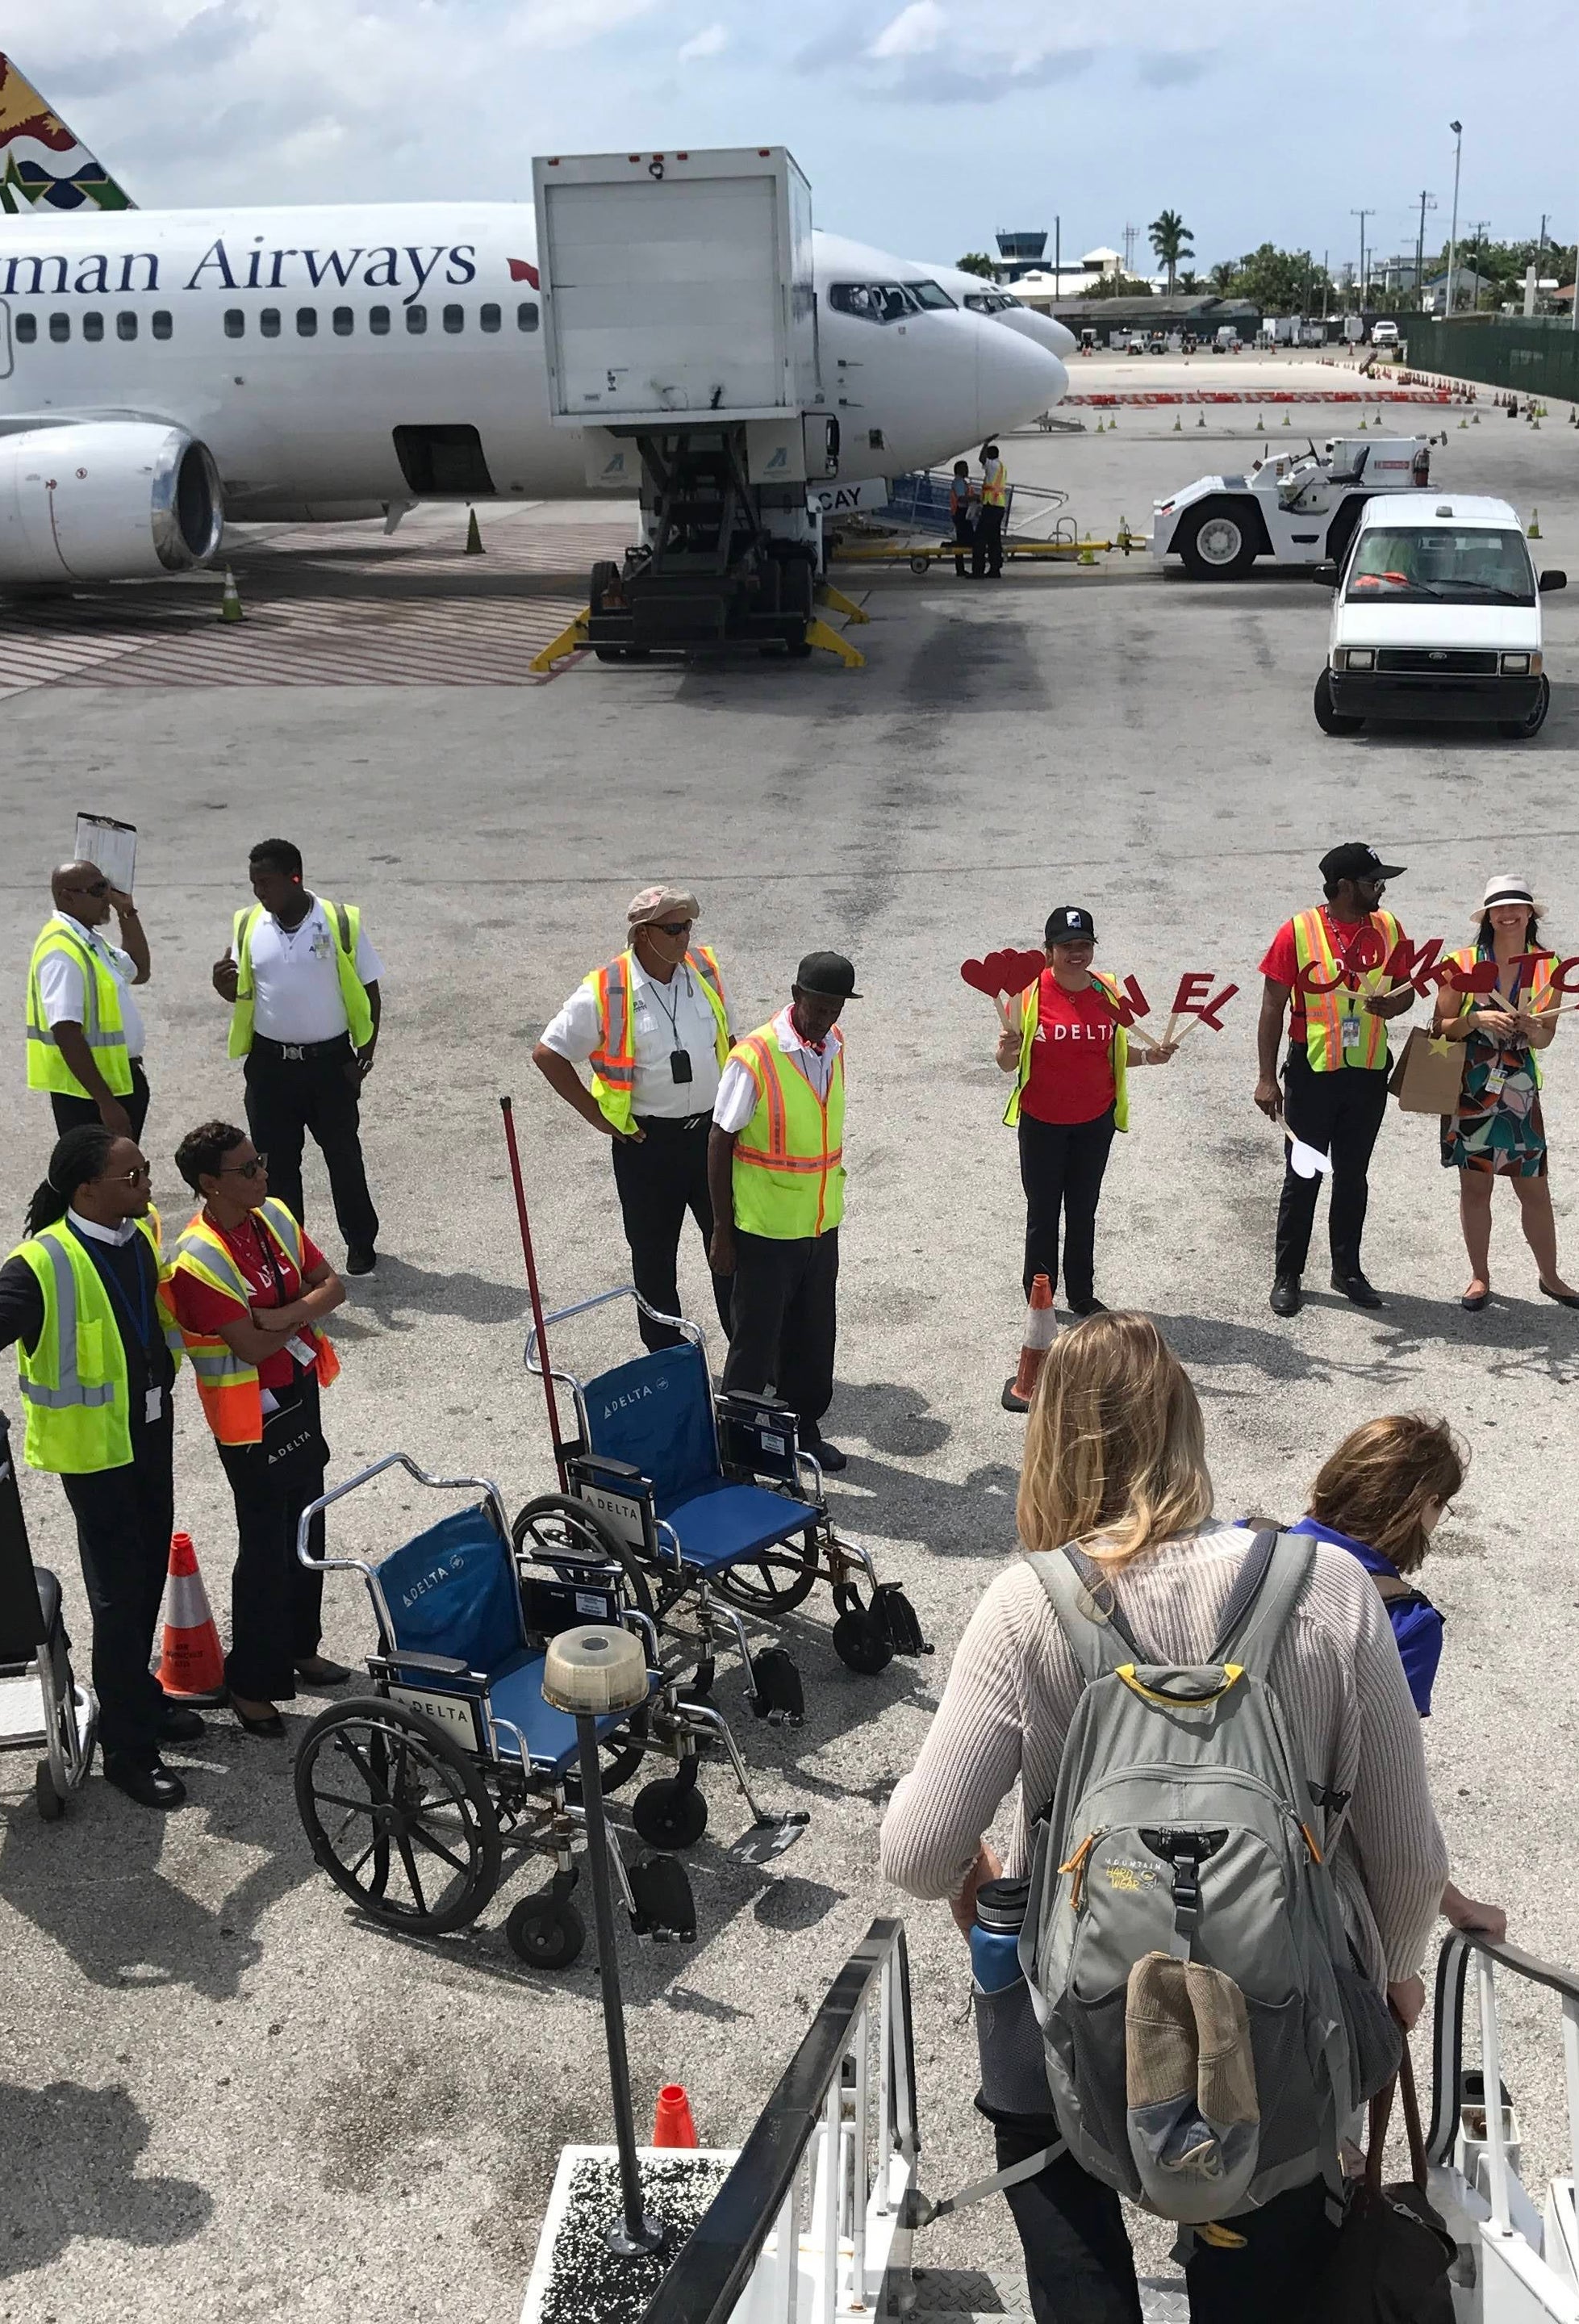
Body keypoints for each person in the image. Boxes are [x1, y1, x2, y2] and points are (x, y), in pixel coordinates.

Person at [878, 1316, 1481, 2322]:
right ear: (1187, 1427)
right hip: (1281, 2013)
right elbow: (1410, 1857)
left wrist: (983, 1887)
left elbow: (916, 1847)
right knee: (1261, 2244)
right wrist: (1401, 1975)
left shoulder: (1027, 1605)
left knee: (1057, 2190)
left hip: (1073, 2011)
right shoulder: (1329, 1590)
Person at [0, 1127, 200, 1810]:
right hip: (96, 1455)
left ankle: (139, 1698)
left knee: (149, 1570)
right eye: (132, 1176)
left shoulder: (136, 1237)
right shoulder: (44, 1262)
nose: (146, 1183)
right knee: (119, 1593)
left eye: (145, 1171)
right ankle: (127, 1746)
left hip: (147, 1434)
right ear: (87, 1188)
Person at [162, 1121, 350, 1731]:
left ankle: (300, 1647)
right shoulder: (197, 1258)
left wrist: (280, 1317)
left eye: (260, 1160)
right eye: (247, 1169)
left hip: (295, 1393)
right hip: (247, 1419)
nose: (263, 1174)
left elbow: (334, 1287)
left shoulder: (271, 1215)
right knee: (267, 1548)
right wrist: (286, 1318)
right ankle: (252, 1683)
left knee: (308, 1525)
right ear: (210, 1185)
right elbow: (244, 1345)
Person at [1291, 1412, 1508, 1937]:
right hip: (1293, 1889)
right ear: (1420, 1507)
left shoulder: (1241, 1546)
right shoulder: (1403, 1622)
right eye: (1442, 1505)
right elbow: (1382, 1801)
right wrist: (1431, 1926)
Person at [531, 884, 735, 1350]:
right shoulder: (607, 987)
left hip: (710, 1136)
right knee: (654, 1261)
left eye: (688, 926)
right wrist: (597, 1116)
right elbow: (549, 1054)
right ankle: (669, 1360)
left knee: (730, 1248)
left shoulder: (703, 969)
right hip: (649, 1146)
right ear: (642, 934)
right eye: (673, 928)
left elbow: (728, 1038)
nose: (685, 936)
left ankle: (747, 1356)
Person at [1254, 842, 1418, 1313]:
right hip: (1313, 1070)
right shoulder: (1298, 931)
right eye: (1374, 882)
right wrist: (1267, 1078)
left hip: (1366, 1069)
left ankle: (1347, 1270)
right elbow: (1271, 1007)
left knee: (1353, 1175)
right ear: (1345, 887)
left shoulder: (1388, 927)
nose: (1381, 889)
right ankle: (1288, 1273)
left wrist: (1396, 1005)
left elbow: (1405, 990)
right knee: (1303, 1172)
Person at [708, 951, 854, 1473]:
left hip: (819, 1224)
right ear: (796, 997)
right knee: (756, 1341)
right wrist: (723, 1231)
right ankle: (735, 1447)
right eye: (818, 1007)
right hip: (765, 1230)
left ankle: (803, 1430)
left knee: (814, 1340)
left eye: (835, 1008)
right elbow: (720, 1139)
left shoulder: (833, 1046)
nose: (825, 1018)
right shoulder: (757, 1055)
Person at [992, 905, 1173, 1318]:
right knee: (1042, 1211)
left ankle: (1082, 1294)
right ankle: (1040, 1296)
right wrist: (1006, 1051)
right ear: (1049, 949)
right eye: (1067, 946)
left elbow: (1113, 1053)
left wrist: (1149, 1058)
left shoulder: (1107, 990)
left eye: (1085, 945)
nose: (1077, 953)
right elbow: (1006, 1062)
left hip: (1095, 1122)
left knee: (1083, 1209)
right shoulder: (1028, 993)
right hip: (1043, 1123)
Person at [211, 838, 383, 1273]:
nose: (258, 892)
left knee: (343, 1156)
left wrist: (365, 1054)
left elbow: (369, 987)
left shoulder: (339, 921)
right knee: (274, 1168)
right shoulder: (247, 924)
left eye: (265, 882)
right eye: (253, 883)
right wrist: (223, 986)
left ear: (295, 878)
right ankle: (290, 1252)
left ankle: (361, 1243)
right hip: (270, 1069)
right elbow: (241, 991)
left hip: (330, 1065)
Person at [1432, 874, 1579, 1312]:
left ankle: (1551, 1277)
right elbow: (1438, 1027)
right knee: (1475, 1188)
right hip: (1471, 1086)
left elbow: (1546, 1039)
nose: (1508, 913)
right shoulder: (1460, 962)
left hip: (1519, 1088)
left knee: (1534, 1188)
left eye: (1517, 905)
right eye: (1499, 907)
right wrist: (1477, 1021)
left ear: (1531, 913)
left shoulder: (1549, 967)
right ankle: (1479, 1276)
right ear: (1487, 916)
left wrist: (1534, 1028)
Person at [29, 860, 153, 1143]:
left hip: (118, 1083)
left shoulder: (88, 940)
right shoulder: (62, 951)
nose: (106, 897)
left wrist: (127, 911)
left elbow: (139, 969)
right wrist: (106, 1104)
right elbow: (66, 1032)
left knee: (118, 1179)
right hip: (89, 1099)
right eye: (98, 890)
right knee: (101, 1181)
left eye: (107, 887)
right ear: (67, 896)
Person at [973, 439, 1011, 579]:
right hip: (999, 506)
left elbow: (981, 459)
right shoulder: (1001, 467)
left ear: (990, 455)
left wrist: (984, 444)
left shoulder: (992, 465)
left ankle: (978, 570)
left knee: (980, 538)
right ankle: (995, 569)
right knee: (994, 539)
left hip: (991, 506)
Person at [948, 459, 977, 579]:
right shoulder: (959, 482)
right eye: (965, 468)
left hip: (962, 513)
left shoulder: (962, 482)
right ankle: (962, 569)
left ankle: (961, 569)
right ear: (959, 470)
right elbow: (961, 499)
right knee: (968, 541)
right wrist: (975, 498)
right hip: (961, 514)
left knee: (962, 541)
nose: (967, 470)